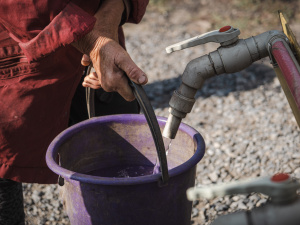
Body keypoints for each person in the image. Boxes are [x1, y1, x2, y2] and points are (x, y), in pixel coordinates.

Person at [0, 0, 149, 223]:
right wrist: (93, 39)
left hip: (94, 27)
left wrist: (111, 13)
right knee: (5, 157)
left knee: (116, 155)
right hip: (17, 46)